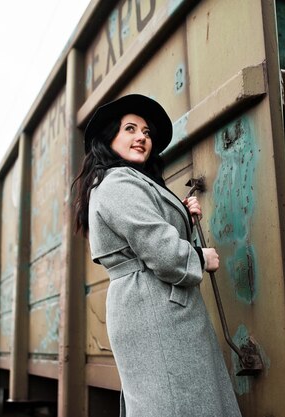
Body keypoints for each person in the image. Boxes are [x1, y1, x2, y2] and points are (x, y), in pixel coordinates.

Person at [72, 94, 242, 417]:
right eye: (130, 129)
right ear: (110, 138)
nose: (142, 138)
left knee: (176, 401)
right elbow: (161, 250)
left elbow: (150, 238)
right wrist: (201, 258)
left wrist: (182, 216)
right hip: (155, 310)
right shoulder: (117, 182)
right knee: (177, 403)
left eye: (147, 133)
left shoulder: (127, 182)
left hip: (154, 306)